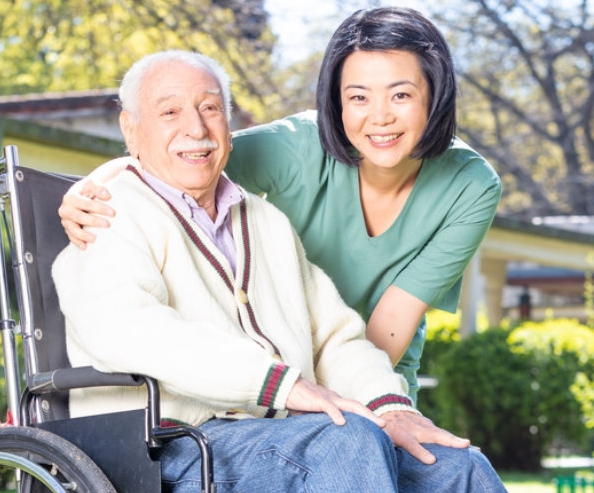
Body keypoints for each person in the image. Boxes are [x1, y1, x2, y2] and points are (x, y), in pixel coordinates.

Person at [53, 50, 506, 492]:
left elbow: (333, 336)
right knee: (345, 443)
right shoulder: (107, 214)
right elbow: (130, 329)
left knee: (456, 468)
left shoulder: (264, 221)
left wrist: (390, 406)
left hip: (282, 441)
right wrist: (281, 385)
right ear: (130, 131)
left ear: (229, 127)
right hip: (167, 447)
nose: (196, 127)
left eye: (210, 108)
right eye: (170, 111)